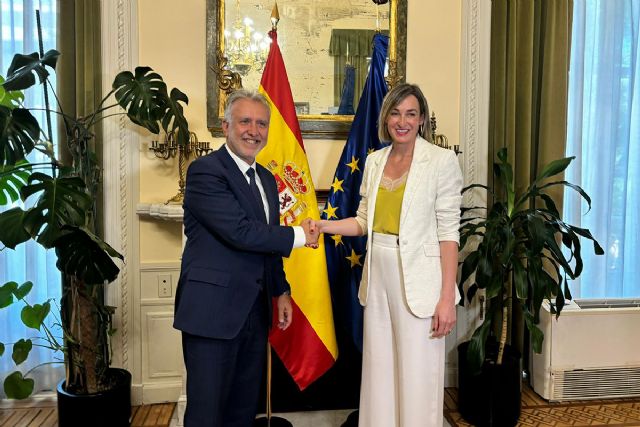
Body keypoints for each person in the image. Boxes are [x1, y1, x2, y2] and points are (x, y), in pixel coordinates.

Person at [311, 83, 462, 427]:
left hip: (421, 282)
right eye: (395, 113)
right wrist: (323, 225)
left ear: (422, 118)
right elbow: (364, 222)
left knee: (418, 375)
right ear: (386, 118)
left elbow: (449, 234)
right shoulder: (375, 160)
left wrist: (446, 299)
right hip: (377, 278)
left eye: (410, 113)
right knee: (379, 375)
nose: (402, 121)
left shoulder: (441, 161)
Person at [173, 89, 318, 427]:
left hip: (254, 312)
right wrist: (301, 235)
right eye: (245, 122)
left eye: (262, 124)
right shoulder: (205, 172)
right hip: (211, 313)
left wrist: (280, 290)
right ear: (226, 126)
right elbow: (240, 232)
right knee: (207, 414)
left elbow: (265, 244)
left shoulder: (267, 179)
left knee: (242, 411)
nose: (254, 130)